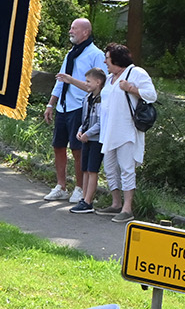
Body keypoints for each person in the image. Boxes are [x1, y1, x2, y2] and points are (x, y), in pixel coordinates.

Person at [90, 43, 156, 222]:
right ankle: (116, 204)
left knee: (126, 169)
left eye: (107, 58)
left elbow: (152, 95)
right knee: (110, 168)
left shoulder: (136, 73)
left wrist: (131, 89)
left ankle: (127, 209)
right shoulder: (110, 78)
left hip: (126, 130)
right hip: (108, 131)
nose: (105, 62)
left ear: (117, 60)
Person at [45, 18, 105, 204]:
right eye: (71, 28)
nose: (70, 31)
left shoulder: (96, 55)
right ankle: (61, 186)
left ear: (85, 32)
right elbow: (60, 80)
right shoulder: (71, 54)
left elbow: (99, 85)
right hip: (63, 106)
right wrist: (51, 104)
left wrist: (71, 80)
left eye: (74, 28)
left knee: (77, 149)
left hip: (80, 107)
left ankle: (79, 188)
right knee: (58, 146)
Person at [68, 68, 106, 214]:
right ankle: (83, 198)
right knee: (85, 169)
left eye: (89, 81)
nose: (86, 84)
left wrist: (88, 134)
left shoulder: (102, 100)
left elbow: (101, 122)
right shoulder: (87, 98)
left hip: (96, 139)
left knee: (92, 169)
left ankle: (89, 201)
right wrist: (80, 131)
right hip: (86, 138)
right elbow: (85, 119)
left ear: (98, 82)